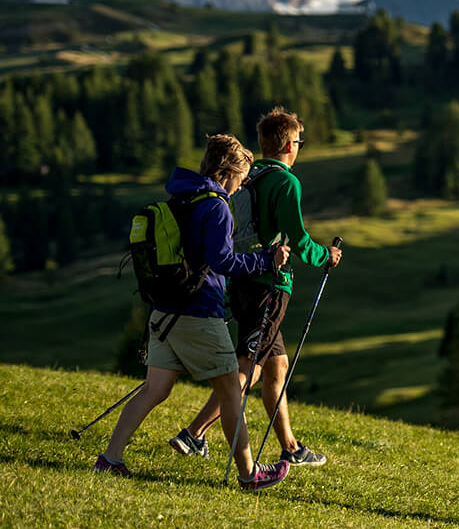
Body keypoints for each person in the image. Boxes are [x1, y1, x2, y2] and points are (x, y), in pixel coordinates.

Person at [94, 134, 292, 491]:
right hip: (199, 313)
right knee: (232, 391)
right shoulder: (215, 205)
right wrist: (266, 259)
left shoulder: (183, 195)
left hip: (165, 311)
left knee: (155, 388)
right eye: (241, 177)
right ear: (227, 171)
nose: (241, 185)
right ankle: (249, 475)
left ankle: (111, 458)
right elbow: (222, 260)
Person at [171, 107, 342, 466]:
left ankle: (291, 447)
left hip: (242, 278)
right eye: (298, 140)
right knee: (249, 367)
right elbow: (296, 237)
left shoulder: (251, 175)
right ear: (285, 144)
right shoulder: (286, 182)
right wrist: (325, 256)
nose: (299, 146)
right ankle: (194, 433)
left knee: (275, 365)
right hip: (270, 283)